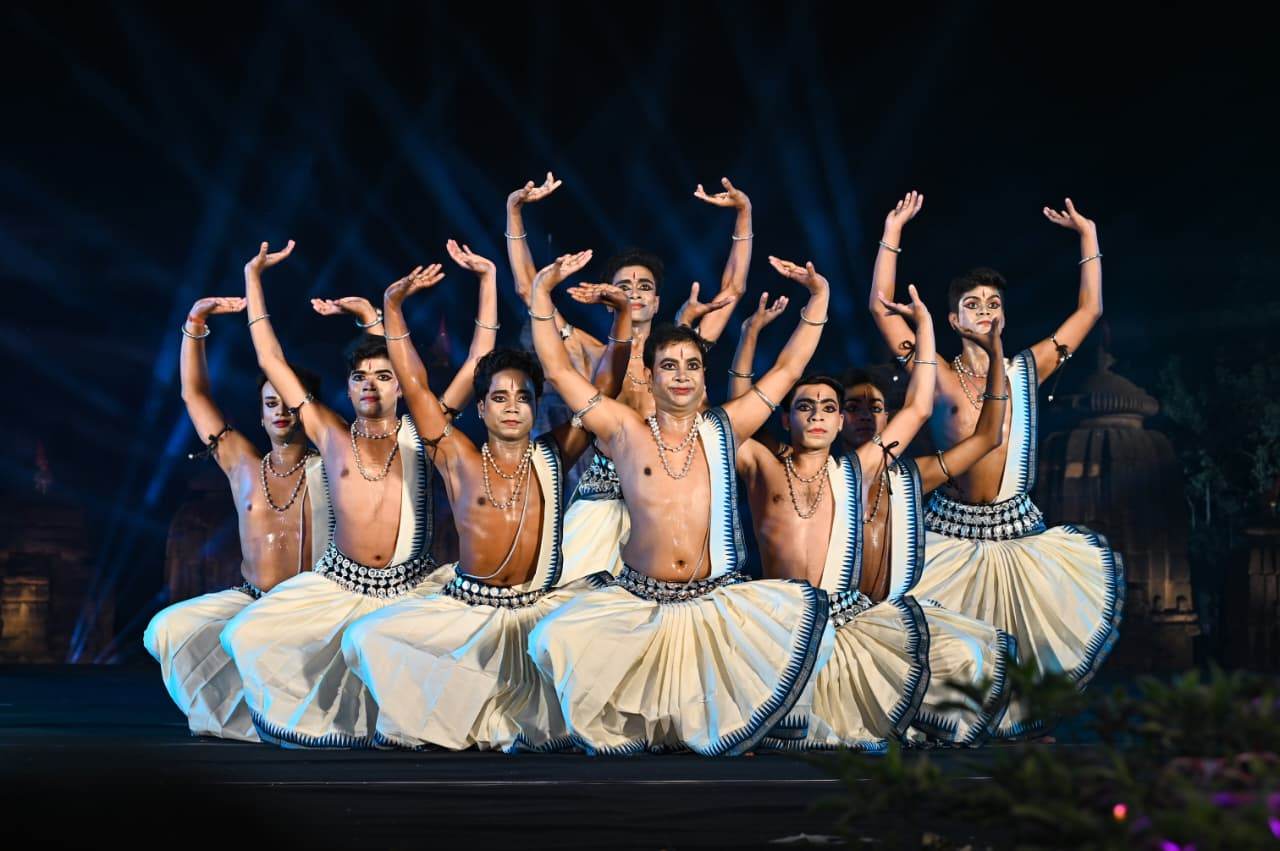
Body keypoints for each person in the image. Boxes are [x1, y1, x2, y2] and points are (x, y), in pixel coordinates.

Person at [528, 251, 831, 755]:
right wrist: (541, 292)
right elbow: (559, 371)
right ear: (649, 377)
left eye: (692, 366)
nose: (682, 375)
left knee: (801, 641)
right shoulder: (624, 431)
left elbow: (790, 366)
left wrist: (818, 297)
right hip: (638, 599)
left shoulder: (726, 428)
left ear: (704, 378)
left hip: (711, 600)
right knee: (551, 638)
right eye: (669, 366)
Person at [341, 250, 631, 751]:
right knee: (366, 637)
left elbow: (603, 388)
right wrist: (392, 307)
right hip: (469, 609)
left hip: (538, 611)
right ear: (481, 407)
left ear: (535, 407)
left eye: (523, 398)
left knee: (617, 631)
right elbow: (414, 386)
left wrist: (623, 316)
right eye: (500, 397)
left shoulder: (553, 453)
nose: (512, 407)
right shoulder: (457, 457)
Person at [220, 238, 495, 747]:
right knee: (245, 633)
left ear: (401, 386)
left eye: (384, 376)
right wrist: (252, 278)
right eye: (360, 377)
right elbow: (270, 357)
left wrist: (488, 279)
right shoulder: (330, 434)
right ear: (347, 388)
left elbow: (480, 360)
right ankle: (323, 725)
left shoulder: (425, 431)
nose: (370, 384)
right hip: (338, 586)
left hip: (411, 588)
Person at [867, 192, 1123, 737]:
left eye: (992, 303)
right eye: (973, 304)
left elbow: (1089, 311)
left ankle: (1020, 741)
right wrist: (892, 232)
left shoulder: (1027, 368)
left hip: (1018, 532)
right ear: (953, 318)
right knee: (949, 649)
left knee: (1027, 649)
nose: (985, 310)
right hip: (950, 534)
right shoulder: (936, 373)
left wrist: (1088, 235)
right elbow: (881, 309)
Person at [144, 295, 330, 742]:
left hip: (312, 602)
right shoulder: (242, 464)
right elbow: (194, 394)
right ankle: (238, 720)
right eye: (271, 403)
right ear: (261, 414)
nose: (281, 411)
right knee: (166, 628)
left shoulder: (334, 466)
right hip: (252, 597)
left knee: (256, 637)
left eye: (289, 402)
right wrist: (196, 322)